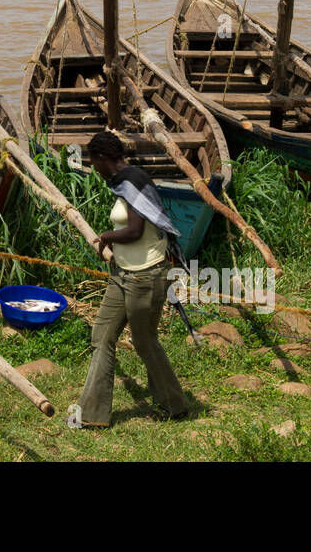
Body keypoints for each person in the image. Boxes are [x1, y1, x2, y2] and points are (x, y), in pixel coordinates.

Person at [76, 130, 189, 426]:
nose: (94, 169)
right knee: (101, 336)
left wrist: (107, 236)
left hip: (147, 275)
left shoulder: (133, 181)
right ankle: (93, 415)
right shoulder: (122, 183)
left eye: (93, 162)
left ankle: (174, 404)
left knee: (144, 341)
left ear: (102, 158)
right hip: (122, 274)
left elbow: (135, 231)